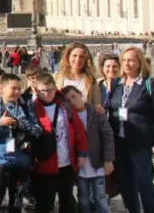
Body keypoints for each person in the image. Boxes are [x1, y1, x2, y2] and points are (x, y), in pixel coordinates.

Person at [108, 47, 154, 213]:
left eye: (131, 60)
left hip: (140, 142)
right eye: (124, 60)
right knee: (126, 183)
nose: (127, 63)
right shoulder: (117, 83)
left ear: (140, 62)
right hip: (120, 141)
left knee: (143, 181)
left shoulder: (149, 83)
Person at [0, 73, 42, 213]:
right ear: (2, 89)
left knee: (16, 204)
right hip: (1, 162)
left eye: (19, 88)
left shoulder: (26, 108)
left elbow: (37, 131)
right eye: (13, 88)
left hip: (22, 162)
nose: (17, 92)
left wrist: (21, 124)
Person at [31, 73, 88, 213]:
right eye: (42, 91)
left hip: (66, 163)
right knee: (44, 203)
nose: (47, 94)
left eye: (50, 90)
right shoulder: (32, 109)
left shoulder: (64, 106)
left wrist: (82, 153)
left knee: (67, 202)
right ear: (36, 91)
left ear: (55, 88)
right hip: (45, 164)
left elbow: (79, 130)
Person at [62, 85, 115, 213]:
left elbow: (108, 138)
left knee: (100, 196)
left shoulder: (95, 113)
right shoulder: (68, 117)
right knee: (84, 198)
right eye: (68, 100)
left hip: (97, 163)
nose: (73, 102)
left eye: (74, 97)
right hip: (81, 166)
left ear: (81, 94)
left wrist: (108, 159)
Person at [54, 42, 102, 110]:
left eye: (81, 57)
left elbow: (97, 106)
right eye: (74, 55)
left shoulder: (91, 81)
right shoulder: (57, 77)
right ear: (68, 57)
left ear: (86, 60)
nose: (78, 60)